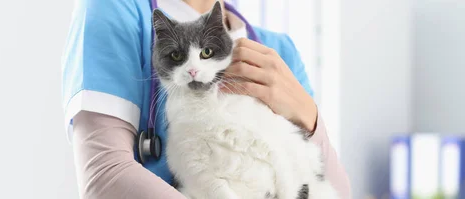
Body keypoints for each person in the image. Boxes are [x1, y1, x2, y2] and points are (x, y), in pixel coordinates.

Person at [62, 0, 350, 198]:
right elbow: (105, 175)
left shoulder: (278, 50)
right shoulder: (116, 12)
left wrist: (308, 116)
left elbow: (332, 190)